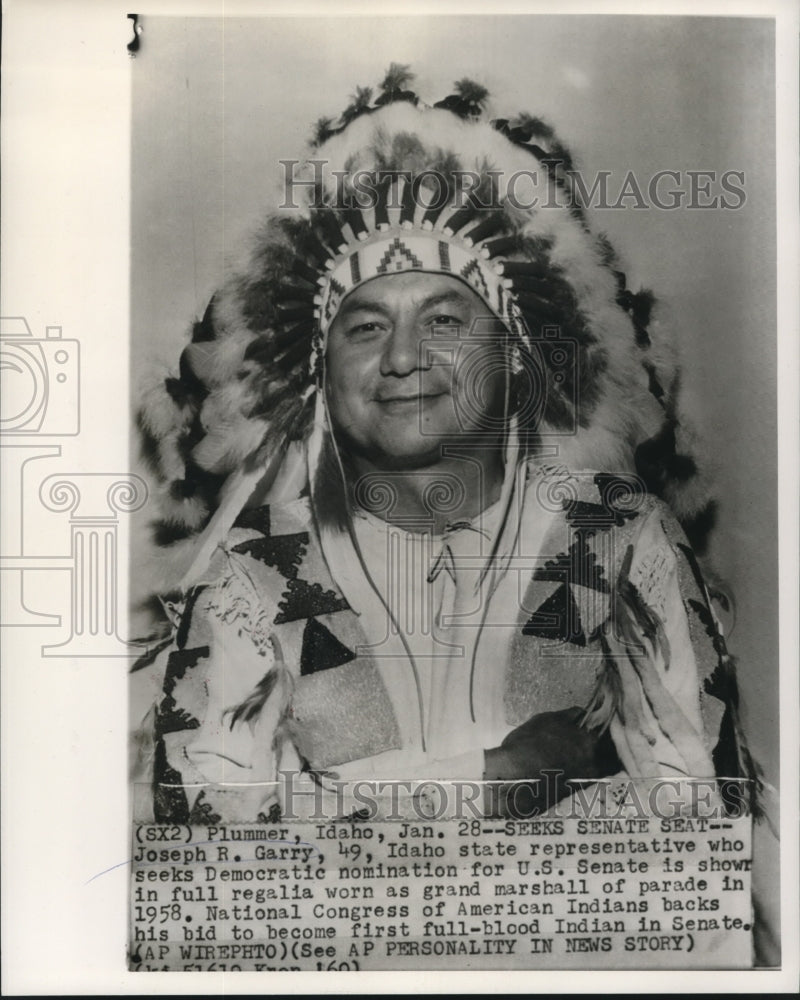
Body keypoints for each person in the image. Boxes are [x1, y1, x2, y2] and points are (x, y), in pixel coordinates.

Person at [130, 65, 765, 889]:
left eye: (442, 321)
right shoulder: (255, 570)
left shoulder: (618, 538)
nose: (401, 360)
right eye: (364, 328)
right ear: (319, 372)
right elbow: (209, 857)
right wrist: (488, 780)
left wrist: (346, 792)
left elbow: (701, 841)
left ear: (514, 356)